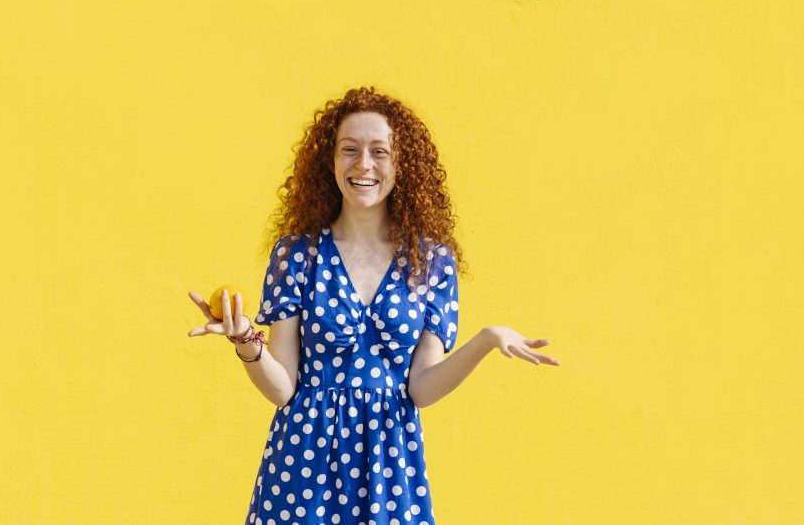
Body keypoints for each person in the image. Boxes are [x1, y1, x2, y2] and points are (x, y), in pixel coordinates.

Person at [188, 86, 559, 525]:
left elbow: (420, 388)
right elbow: (283, 388)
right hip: (301, 462)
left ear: (402, 164)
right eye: (350, 150)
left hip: (390, 468)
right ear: (330, 161)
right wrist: (244, 339)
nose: (363, 164)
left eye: (379, 151)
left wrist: (488, 340)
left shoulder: (432, 262)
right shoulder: (296, 255)